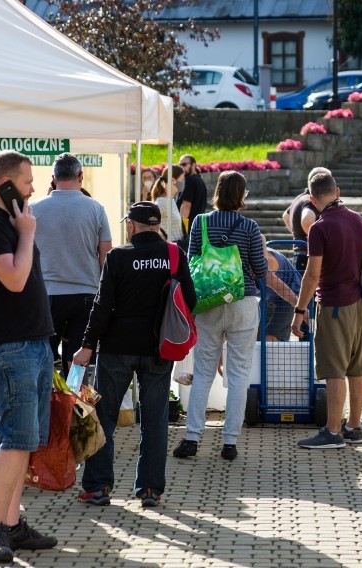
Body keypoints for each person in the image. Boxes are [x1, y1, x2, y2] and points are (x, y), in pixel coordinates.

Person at [72, 201, 196, 509]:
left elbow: (102, 306)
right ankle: (151, 490)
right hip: (159, 349)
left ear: (131, 226)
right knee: (154, 421)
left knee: (103, 418)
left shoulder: (118, 257)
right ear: (157, 225)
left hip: (116, 349)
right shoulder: (173, 255)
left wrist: (87, 345)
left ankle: (98, 487)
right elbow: (190, 299)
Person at [0, 150, 57, 563]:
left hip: (34, 341)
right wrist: (28, 232)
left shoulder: (9, 223)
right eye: (26, 181)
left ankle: (14, 524)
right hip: (8, 345)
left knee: (26, 440)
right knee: (15, 438)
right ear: (4, 183)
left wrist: (23, 230)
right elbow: (16, 280)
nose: (33, 188)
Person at [172, 171, 268, 462]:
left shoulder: (200, 222)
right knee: (238, 374)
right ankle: (229, 443)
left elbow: (191, 265)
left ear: (217, 191)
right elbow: (261, 270)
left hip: (209, 304)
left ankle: (192, 439)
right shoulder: (249, 226)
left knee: (203, 372)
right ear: (242, 195)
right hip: (242, 302)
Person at [292, 173, 362, 449]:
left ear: (312, 200)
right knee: (356, 367)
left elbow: (312, 275)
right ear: (337, 191)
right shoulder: (357, 219)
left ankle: (333, 432)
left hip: (334, 303)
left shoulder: (320, 228)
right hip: (357, 303)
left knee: (334, 369)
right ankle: (354, 426)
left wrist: (300, 310)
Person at [32, 153, 112, 376]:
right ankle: (75, 406)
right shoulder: (96, 209)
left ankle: (46, 407)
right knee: (78, 360)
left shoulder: (33, 209)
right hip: (86, 293)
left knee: (43, 358)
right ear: (81, 176)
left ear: (53, 177)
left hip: (47, 294)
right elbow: (106, 257)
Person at [282, 166, 329, 271]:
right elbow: (307, 220)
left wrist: (298, 234)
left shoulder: (300, 197)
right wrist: (317, 240)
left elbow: (286, 216)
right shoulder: (310, 201)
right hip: (307, 255)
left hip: (299, 253)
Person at [260, 235, 302, 342]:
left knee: (271, 337)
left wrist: (302, 312)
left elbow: (279, 287)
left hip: (289, 292)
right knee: (257, 338)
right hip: (268, 296)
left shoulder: (267, 262)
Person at [176, 154, 208, 234]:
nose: (181, 167)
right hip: (198, 225)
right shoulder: (199, 179)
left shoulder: (190, 180)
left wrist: (182, 229)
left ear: (193, 165)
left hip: (189, 227)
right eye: (179, 165)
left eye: (184, 164)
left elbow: (186, 205)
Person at [152, 165, 186, 243]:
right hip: (168, 250)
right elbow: (149, 226)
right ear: (173, 180)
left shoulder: (171, 201)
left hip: (176, 247)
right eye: (182, 179)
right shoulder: (161, 203)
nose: (183, 182)